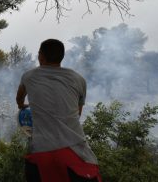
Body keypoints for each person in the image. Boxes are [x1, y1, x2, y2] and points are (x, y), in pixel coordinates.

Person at [16, 39, 101, 182]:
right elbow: (77, 113)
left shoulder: (28, 76)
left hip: (41, 154)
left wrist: (21, 106)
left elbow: (19, 98)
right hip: (76, 153)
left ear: (40, 56)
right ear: (62, 56)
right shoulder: (79, 79)